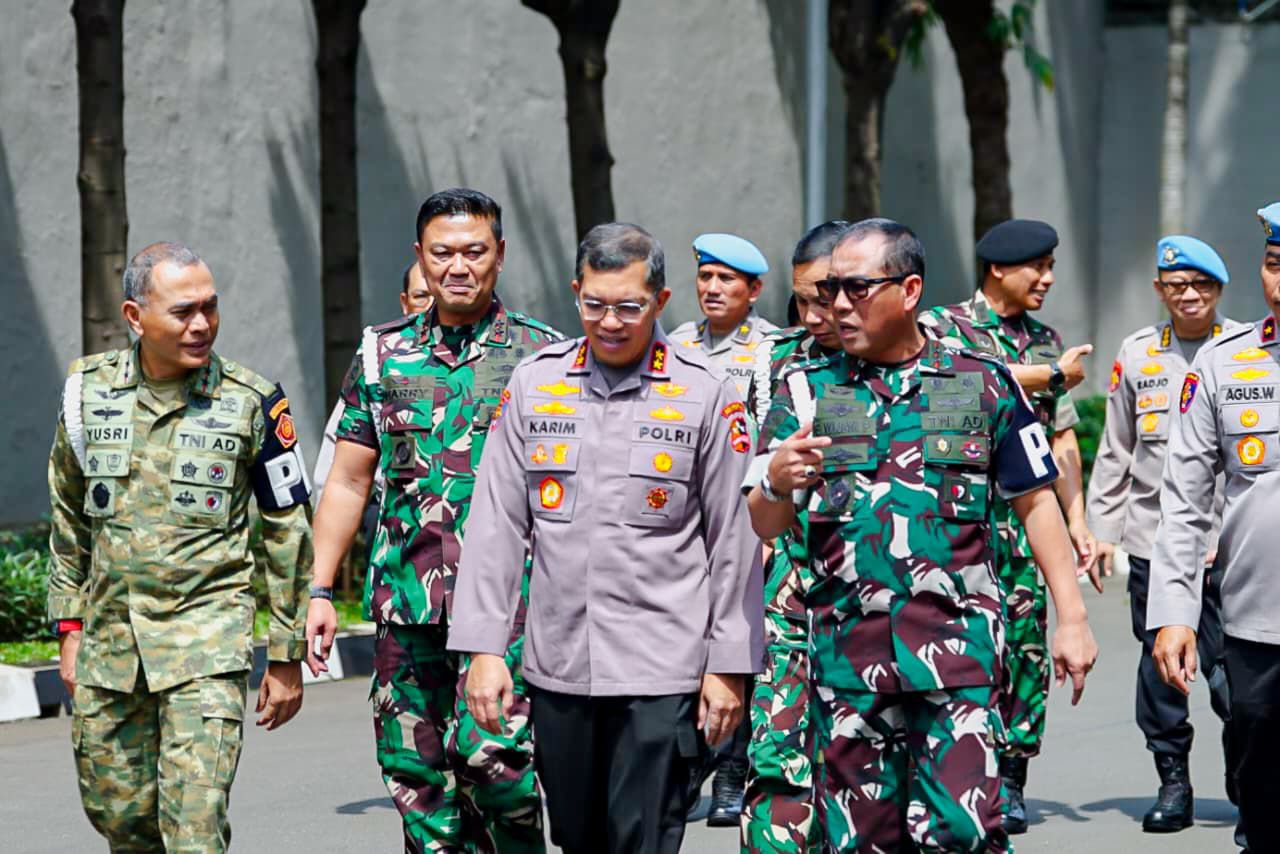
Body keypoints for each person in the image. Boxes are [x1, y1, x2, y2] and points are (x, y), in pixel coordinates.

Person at [746, 218, 1098, 852]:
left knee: (965, 830)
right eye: (830, 290)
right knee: (861, 839)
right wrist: (773, 482)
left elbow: (1035, 500)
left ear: (909, 291)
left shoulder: (981, 380)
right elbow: (764, 521)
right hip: (847, 661)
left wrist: (1071, 618)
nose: (838, 305)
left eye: (857, 289)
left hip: (956, 652)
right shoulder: (805, 387)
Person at [448, 222, 764, 853]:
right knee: (576, 836)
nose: (610, 322)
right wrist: (483, 649)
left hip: (663, 671)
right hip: (560, 666)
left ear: (660, 301)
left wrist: (730, 665)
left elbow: (735, 539)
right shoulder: (536, 383)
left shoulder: (707, 392)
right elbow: (496, 523)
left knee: (641, 839)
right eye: (594, 305)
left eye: (629, 307)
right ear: (576, 293)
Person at [305, 188, 560, 853]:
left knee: (496, 766)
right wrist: (321, 588)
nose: (458, 266)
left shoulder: (545, 356)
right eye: (442, 253)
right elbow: (349, 479)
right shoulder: (382, 354)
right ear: (420, 256)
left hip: (511, 609)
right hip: (408, 606)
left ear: (500, 254)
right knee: (416, 777)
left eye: (474, 251)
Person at [46, 242, 313, 852]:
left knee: (194, 828)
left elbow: (288, 530)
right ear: (135, 317)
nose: (201, 325)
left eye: (210, 308)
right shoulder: (87, 393)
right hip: (112, 648)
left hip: (206, 646)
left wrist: (285, 653)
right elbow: (68, 514)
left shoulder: (252, 401)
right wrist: (69, 627)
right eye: (183, 311)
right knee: (121, 820)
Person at [919, 218, 1100, 833]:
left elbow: (1061, 437)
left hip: (1026, 528)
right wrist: (1048, 377)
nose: (1047, 279)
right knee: (957, 644)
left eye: (1051, 268)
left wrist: (1077, 519)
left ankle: (1011, 778)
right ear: (998, 268)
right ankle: (954, 767)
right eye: (1037, 268)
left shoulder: (1046, 341)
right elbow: (955, 377)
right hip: (959, 524)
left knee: (1024, 651)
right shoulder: (942, 328)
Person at [1087, 236, 1239, 834]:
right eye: (1176, 286)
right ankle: (1173, 780)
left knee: (1237, 673)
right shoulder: (1138, 353)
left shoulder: (1246, 350)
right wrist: (1102, 531)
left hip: (1228, 547)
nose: (1189, 295)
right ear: (1159, 290)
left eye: (1200, 285)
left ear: (1218, 290)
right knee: (1161, 670)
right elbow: (1116, 449)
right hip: (1155, 543)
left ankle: (1246, 767)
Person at [1149, 202, 1280, 854]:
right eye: (1274, 264)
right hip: (1258, 622)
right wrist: (1175, 612)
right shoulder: (1224, 364)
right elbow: (1184, 502)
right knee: (1261, 774)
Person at [739, 219, 847, 852]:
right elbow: (753, 482)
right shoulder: (780, 362)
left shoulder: (926, 364)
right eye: (802, 300)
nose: (812, 316)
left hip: (889, 610)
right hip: (792, 597)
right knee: (779, 764)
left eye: (825, 298)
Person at [313, 261, 433, 501]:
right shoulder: (377, 361)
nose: (431, 306)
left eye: (438, 297)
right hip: (392, 511)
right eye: (421, 297)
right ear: (404, 302)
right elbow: (338, 466)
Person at [671, 232, 779, 399]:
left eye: (726, 278)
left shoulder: (772, 346)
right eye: (705, 276)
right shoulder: (678, 341)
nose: (712, 289)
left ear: (754, 290)